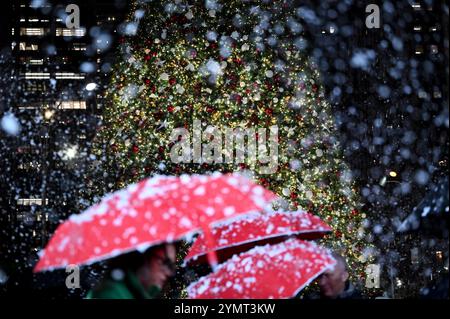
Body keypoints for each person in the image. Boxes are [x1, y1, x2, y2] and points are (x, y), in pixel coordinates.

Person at [86, 243, 177, 299]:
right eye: (165, 262)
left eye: (171, 266)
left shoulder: (141, 292)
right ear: (144, 256)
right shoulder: (111, 294)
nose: (168, 273)